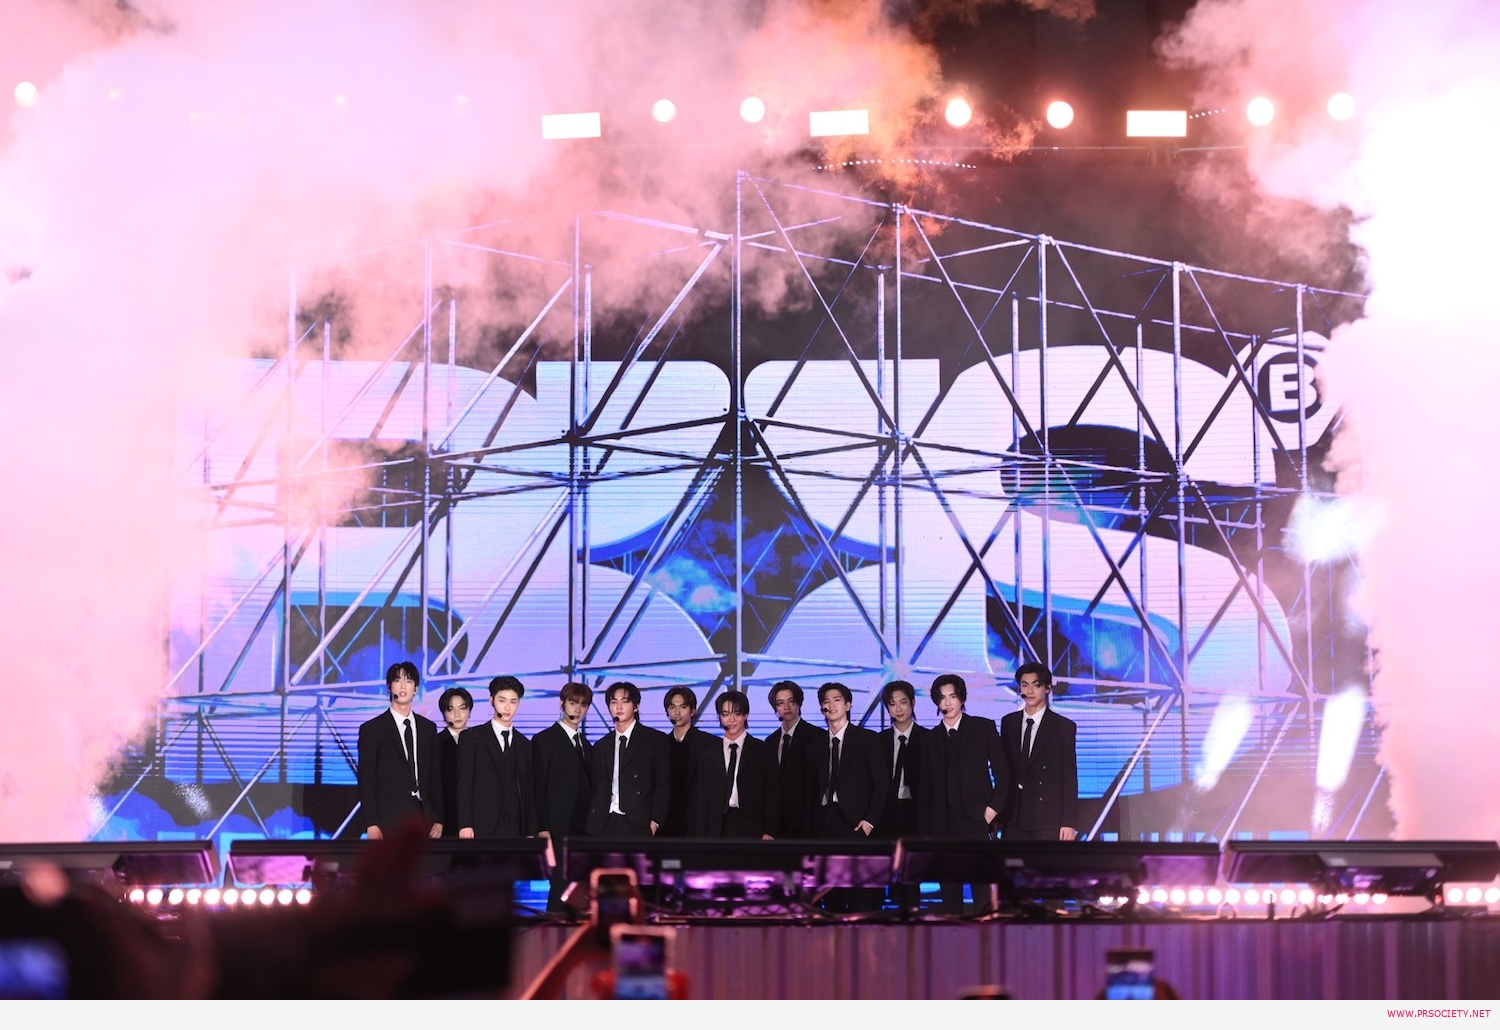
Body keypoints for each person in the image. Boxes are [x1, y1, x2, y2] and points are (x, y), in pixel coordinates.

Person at [918, 673, 1009, 913]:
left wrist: (991, 811)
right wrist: (927, 832)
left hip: (975, 821)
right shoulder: (929, 740)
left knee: (982, 896)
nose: (947, 703)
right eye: (942, 698)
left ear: (962, 698)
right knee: (950, 899)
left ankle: (986, 936)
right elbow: (925, 789)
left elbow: (1002, 773)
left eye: (953, 696)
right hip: (942, 826)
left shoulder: (982, 728)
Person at [532, 682, 595, 912]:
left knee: (578, 886)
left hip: (584, 828)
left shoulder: (586, 745)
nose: (577, 709)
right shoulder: (544, 740)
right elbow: (537, 787)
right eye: (572, 703)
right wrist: (542, 827)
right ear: (562, 704)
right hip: (556, 827)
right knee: (559, 882)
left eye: (583, 705)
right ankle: (554, 926)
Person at [999, 662, 1079, 841]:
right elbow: (1003, 771)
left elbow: (1069, 776)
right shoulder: (1009, 722)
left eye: (1036, 685)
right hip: (1013, 815)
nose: (1029, 691)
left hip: (1047, 818)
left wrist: (1069, 822)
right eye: (1024, 685)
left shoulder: (1063, 727)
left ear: (1047, 688)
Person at [357, 661, 438, 838]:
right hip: (389, 819)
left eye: (408, 681)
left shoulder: (428, 728)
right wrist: (371, 823)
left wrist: (439, 819)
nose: (403, 686)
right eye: (397, 680)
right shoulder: (372, 729)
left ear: (415, 688)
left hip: (425, 817)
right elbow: (367, 780)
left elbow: (435, 777)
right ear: (389, 686)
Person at [585, 682, 670, 838]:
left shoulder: (654, 740)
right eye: (613, 702)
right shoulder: (601, 745)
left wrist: (655, 821)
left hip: (639, 822)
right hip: (604, 823)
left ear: (636, 706)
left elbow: (663, 784)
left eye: (624, 701)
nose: (619, 707)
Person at [690, 691, 779, 839]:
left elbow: (772, 795)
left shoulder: (763, 752)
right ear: (719, 716)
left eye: (737, 714)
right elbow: (702, 802)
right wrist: (701, 838)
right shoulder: (708, 757)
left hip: (753, 827)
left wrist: (770, 830)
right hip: (717, 828)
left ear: (746, 715)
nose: (731, 720)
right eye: (725, 714)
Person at [457, 676, 535, 838]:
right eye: (502, 700)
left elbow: (528, 792)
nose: (507, 707)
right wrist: (465, 824)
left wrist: (530, 831)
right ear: (491, 700)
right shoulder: (472, 737)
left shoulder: (524, 744)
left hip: (515, 827)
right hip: (481, 825)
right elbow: (464, 784)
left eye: (513, 702)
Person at [806, 682, 887, 838]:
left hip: (856, 820)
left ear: (848, 705)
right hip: (823, 819)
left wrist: (870, 821)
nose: (831, 705)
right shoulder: (815, 746)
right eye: (826, 701)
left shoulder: (867, 739)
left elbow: (881, 783)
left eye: (837, 700)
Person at [873, 680, 927, 840]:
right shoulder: (878, 741)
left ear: (912, 702)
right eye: (892, 704)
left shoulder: (928, 739)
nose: (898, 709)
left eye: (903, 702)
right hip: (886, 811)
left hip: (918, 811)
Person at [660, 686, 716, 837]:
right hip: (667, 824)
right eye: (672, 707)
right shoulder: (660, 745)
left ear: (692, 711)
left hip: (698, 822)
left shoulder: (710, 744)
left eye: (683, 707)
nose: (677, 713)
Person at [765, 680, 817, 838]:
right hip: (777, 824)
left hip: (808, 822)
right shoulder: (770, 741)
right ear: (775, 707)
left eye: (791, 701)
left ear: (799, 703)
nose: (786, 707)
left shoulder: (816, 737)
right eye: (780, 703)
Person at [428, 686, 473, 838]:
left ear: (469, 711)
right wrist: (438, 819)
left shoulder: (479, 741)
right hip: (446, 820)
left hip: (476, 819)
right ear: (444, 713)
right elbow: (433, 785)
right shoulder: (436, 743)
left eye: (462, 708)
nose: (457, 714)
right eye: (450, 709)